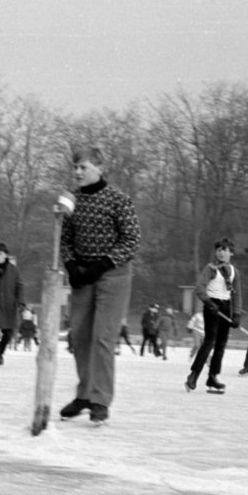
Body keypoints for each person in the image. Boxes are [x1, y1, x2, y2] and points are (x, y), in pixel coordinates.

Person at [58, 145, 141, 424]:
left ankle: (100, 399)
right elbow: (65, 237)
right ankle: (84, 393)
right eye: (75, 167)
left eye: (83, 167)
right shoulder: (73, 200)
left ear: (99, 168)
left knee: (102, 338)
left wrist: (103, 264)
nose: (77, 172)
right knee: (80, 336)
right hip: (83, 274)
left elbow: (131, 240)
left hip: (113, 274)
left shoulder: (118, 200)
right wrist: (71, 266)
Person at [185, 238, 240, 393]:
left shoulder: (235, 272)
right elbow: (199, 288)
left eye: (225, 249)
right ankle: (194, 374)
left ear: (231, 253)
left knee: (221, 345)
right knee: (209, 341)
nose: (221, 252)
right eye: (219, 250)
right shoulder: (210, 268)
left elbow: (237, 295)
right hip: (212, 306)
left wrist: (236, 314)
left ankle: (213, 377)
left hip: (226, 306)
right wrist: (209, 303)